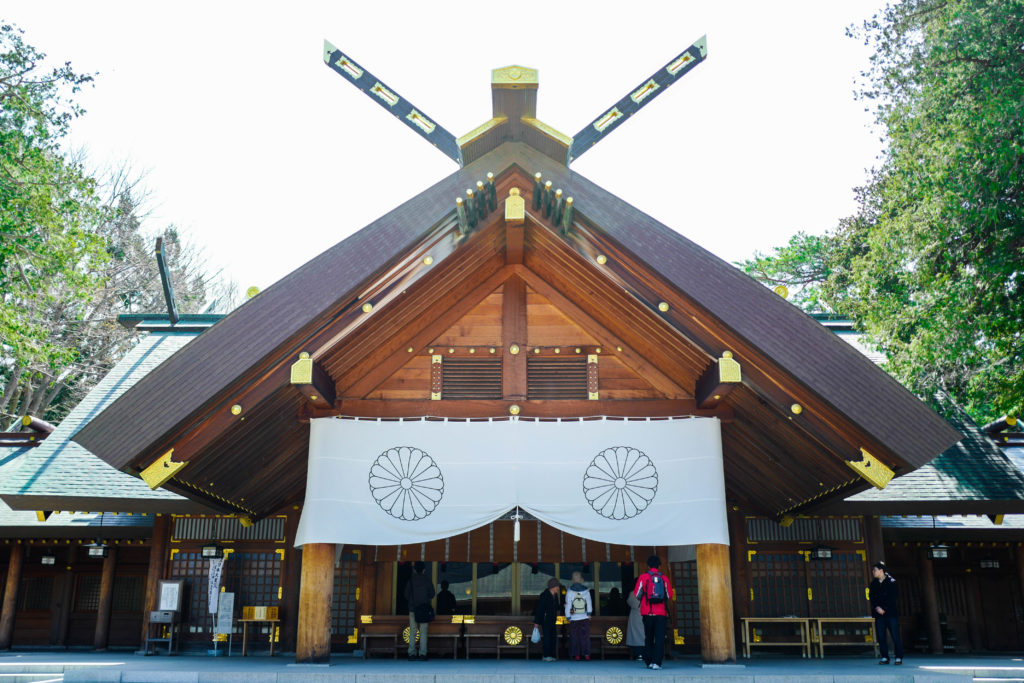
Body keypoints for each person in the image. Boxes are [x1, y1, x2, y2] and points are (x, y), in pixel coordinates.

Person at [633, 554, 673, 670]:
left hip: (647, 612)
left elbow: (637, 594)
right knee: (660, 638)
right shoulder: (664, 578)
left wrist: (646, 597)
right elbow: (669, 595)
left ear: (648, 565)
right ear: (659, 566)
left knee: (648, 637)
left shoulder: (643, 577)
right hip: (661, 613)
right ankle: (657, 662)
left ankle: (649, 661)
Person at [869, 561, 903, 665]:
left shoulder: (891, 582)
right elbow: (871, 597)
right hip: (879, 614)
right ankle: (885, 656)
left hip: (890, 613)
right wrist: (877, 607)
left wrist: (884, 608)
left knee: (895, 635)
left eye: (875, 570)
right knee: (881, 636)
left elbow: (893, 597)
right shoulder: (873, 583)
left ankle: (898, 657)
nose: (873, 572)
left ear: (881, 570)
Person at [404, 561, 435, 661]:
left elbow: (406, 595)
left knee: (413, 632)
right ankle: (422, 654)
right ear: (424, 570)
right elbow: (432, 594)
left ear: (414, 570)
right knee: (423, 632)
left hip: (413, 609)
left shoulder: (411, 580)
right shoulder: (427, 580)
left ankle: (411, 653)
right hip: (424, 610)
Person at [564, 571, 593, 660]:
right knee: (585, 636)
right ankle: (586, 654)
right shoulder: (586, 591)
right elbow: (589, 603)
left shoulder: (569, 591)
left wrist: (568, 616)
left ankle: (576, 655)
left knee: (574, 636)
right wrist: (589, 613)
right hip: (584, 617)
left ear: (572, 580)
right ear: (581, 580)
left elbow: (568, 605)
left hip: (574, 618)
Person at [533, 577, 562, 661]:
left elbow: (556, 607)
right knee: (547, 638)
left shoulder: (555, 596)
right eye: (557, 586)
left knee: (553, 637)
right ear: (553, 586)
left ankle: (552, 655)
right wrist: (536, 622)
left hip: (553, 620)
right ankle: (546, 655)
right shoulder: (544, 595)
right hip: (545, 620)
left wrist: (563, 606)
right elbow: (540, 609)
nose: (558, 588)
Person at [626, 588, 645, 661]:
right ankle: (646, 653)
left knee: (636, 635)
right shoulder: (648, 590)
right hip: (646, 613)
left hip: (636, 615)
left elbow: (629, 602)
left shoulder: (633, 593)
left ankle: (638, 654)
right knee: (646, 634)